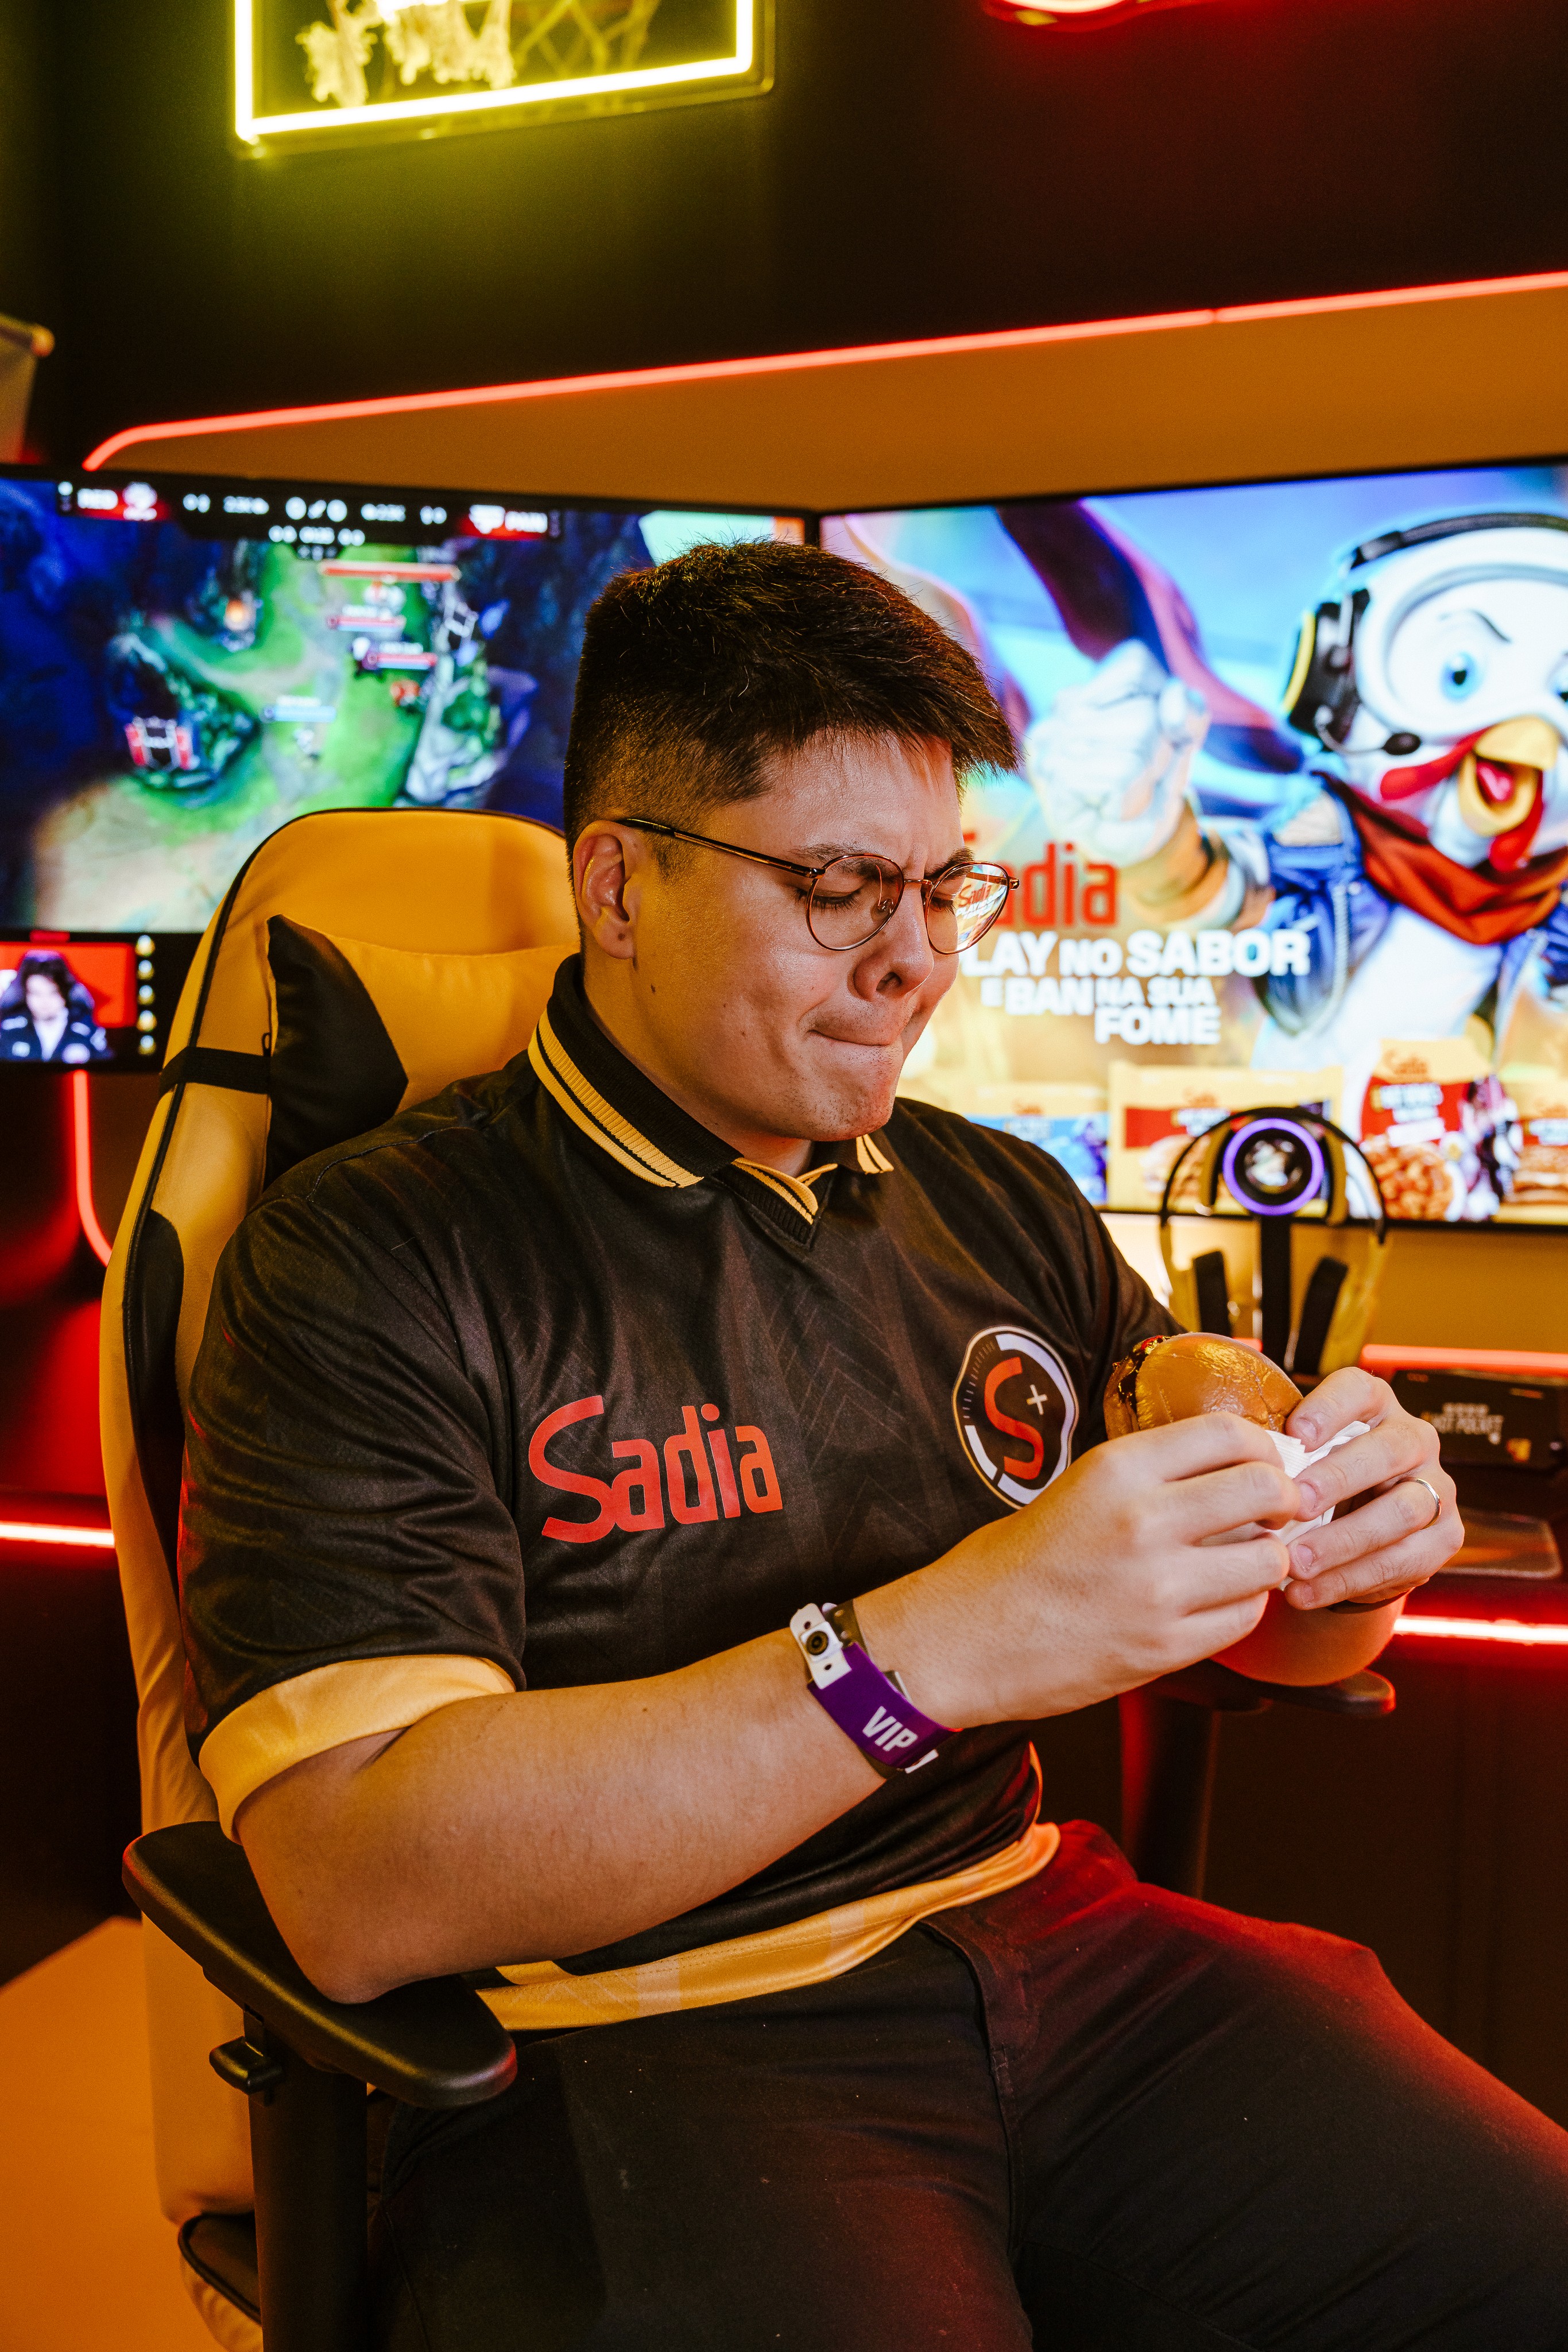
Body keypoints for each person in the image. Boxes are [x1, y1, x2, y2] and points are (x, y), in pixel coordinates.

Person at [180, 543, 1568, 2352]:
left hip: (1052, 1949)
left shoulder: (994, 1197)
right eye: (839, 890)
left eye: (942, 886)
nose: (914, 961)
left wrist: (1345, 1549)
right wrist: (926, 1650)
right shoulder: (380, 1254)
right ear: (618, 884)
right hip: (643, 2032)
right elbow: (355, 1884)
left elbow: (1275, 1633)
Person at [0, 949, 113, 1063]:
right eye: (36, 993)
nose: (44, 1001)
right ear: (25, 994)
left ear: (65, 993)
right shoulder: (9, 1030)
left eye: (53, 993)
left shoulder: (88, 1031)